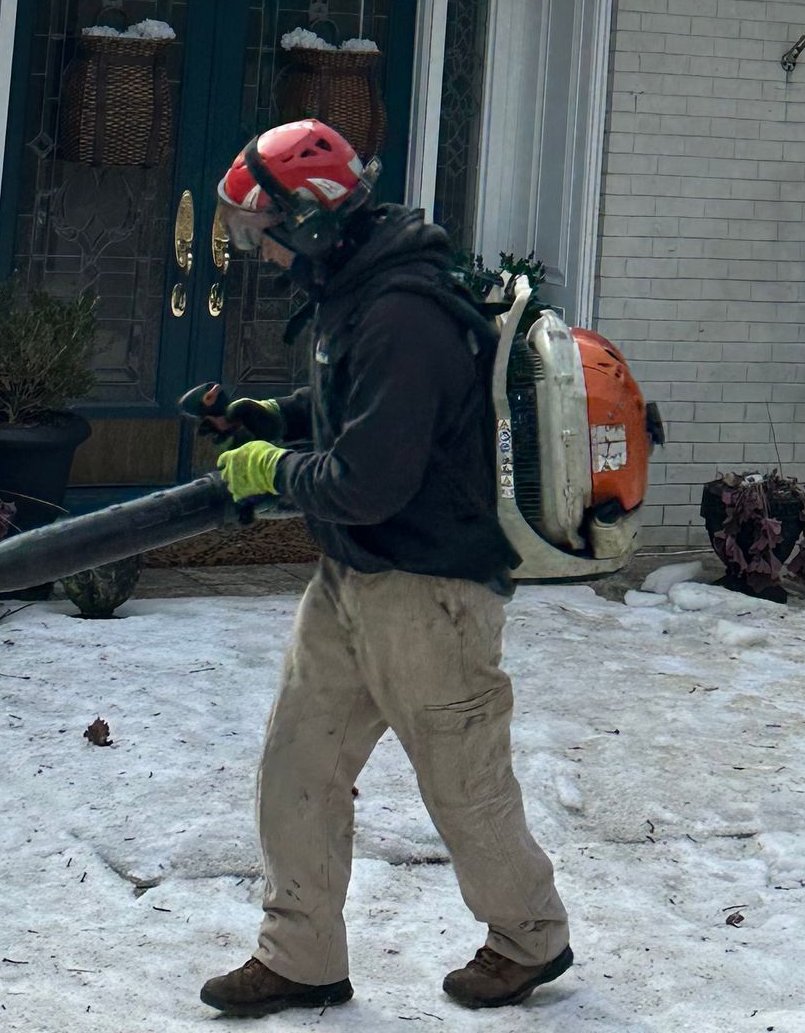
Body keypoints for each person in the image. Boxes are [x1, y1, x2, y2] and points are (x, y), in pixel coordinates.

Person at [190, 117, 572, 1018]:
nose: (256, 252)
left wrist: (270, 473)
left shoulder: (404, 314)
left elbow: (367, 481)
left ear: (316, 222)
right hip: (353, 578)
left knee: (464, 788)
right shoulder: (354, 291)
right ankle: (301, 955)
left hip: (429, 589)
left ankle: (530, 939)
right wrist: (269, 420)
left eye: (261, 233)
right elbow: (352, 411)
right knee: (298, 765)